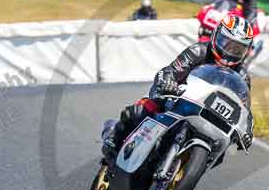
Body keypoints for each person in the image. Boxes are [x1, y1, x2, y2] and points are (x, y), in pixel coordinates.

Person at [101, 13, 255, 163]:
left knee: (222, 149)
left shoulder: (242, 76)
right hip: (178, 99)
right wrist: (168, 83)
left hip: (209, 118)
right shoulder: (198, 51)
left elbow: (245, 111)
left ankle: (184, 176)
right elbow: (170, 71)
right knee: (141, 109)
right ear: (216, 36)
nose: (230, 52)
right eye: (226, 43)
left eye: (237, 49)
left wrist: (247, 132)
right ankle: (114, 136)